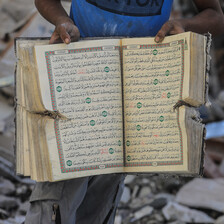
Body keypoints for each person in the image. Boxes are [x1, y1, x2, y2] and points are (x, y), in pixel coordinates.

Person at [25, 1, 224, 224]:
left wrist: (183, 25)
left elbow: (215, 16)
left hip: (135, 86)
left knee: (104, 190)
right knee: (57, 187)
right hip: (79, 73)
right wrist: (63, 21)